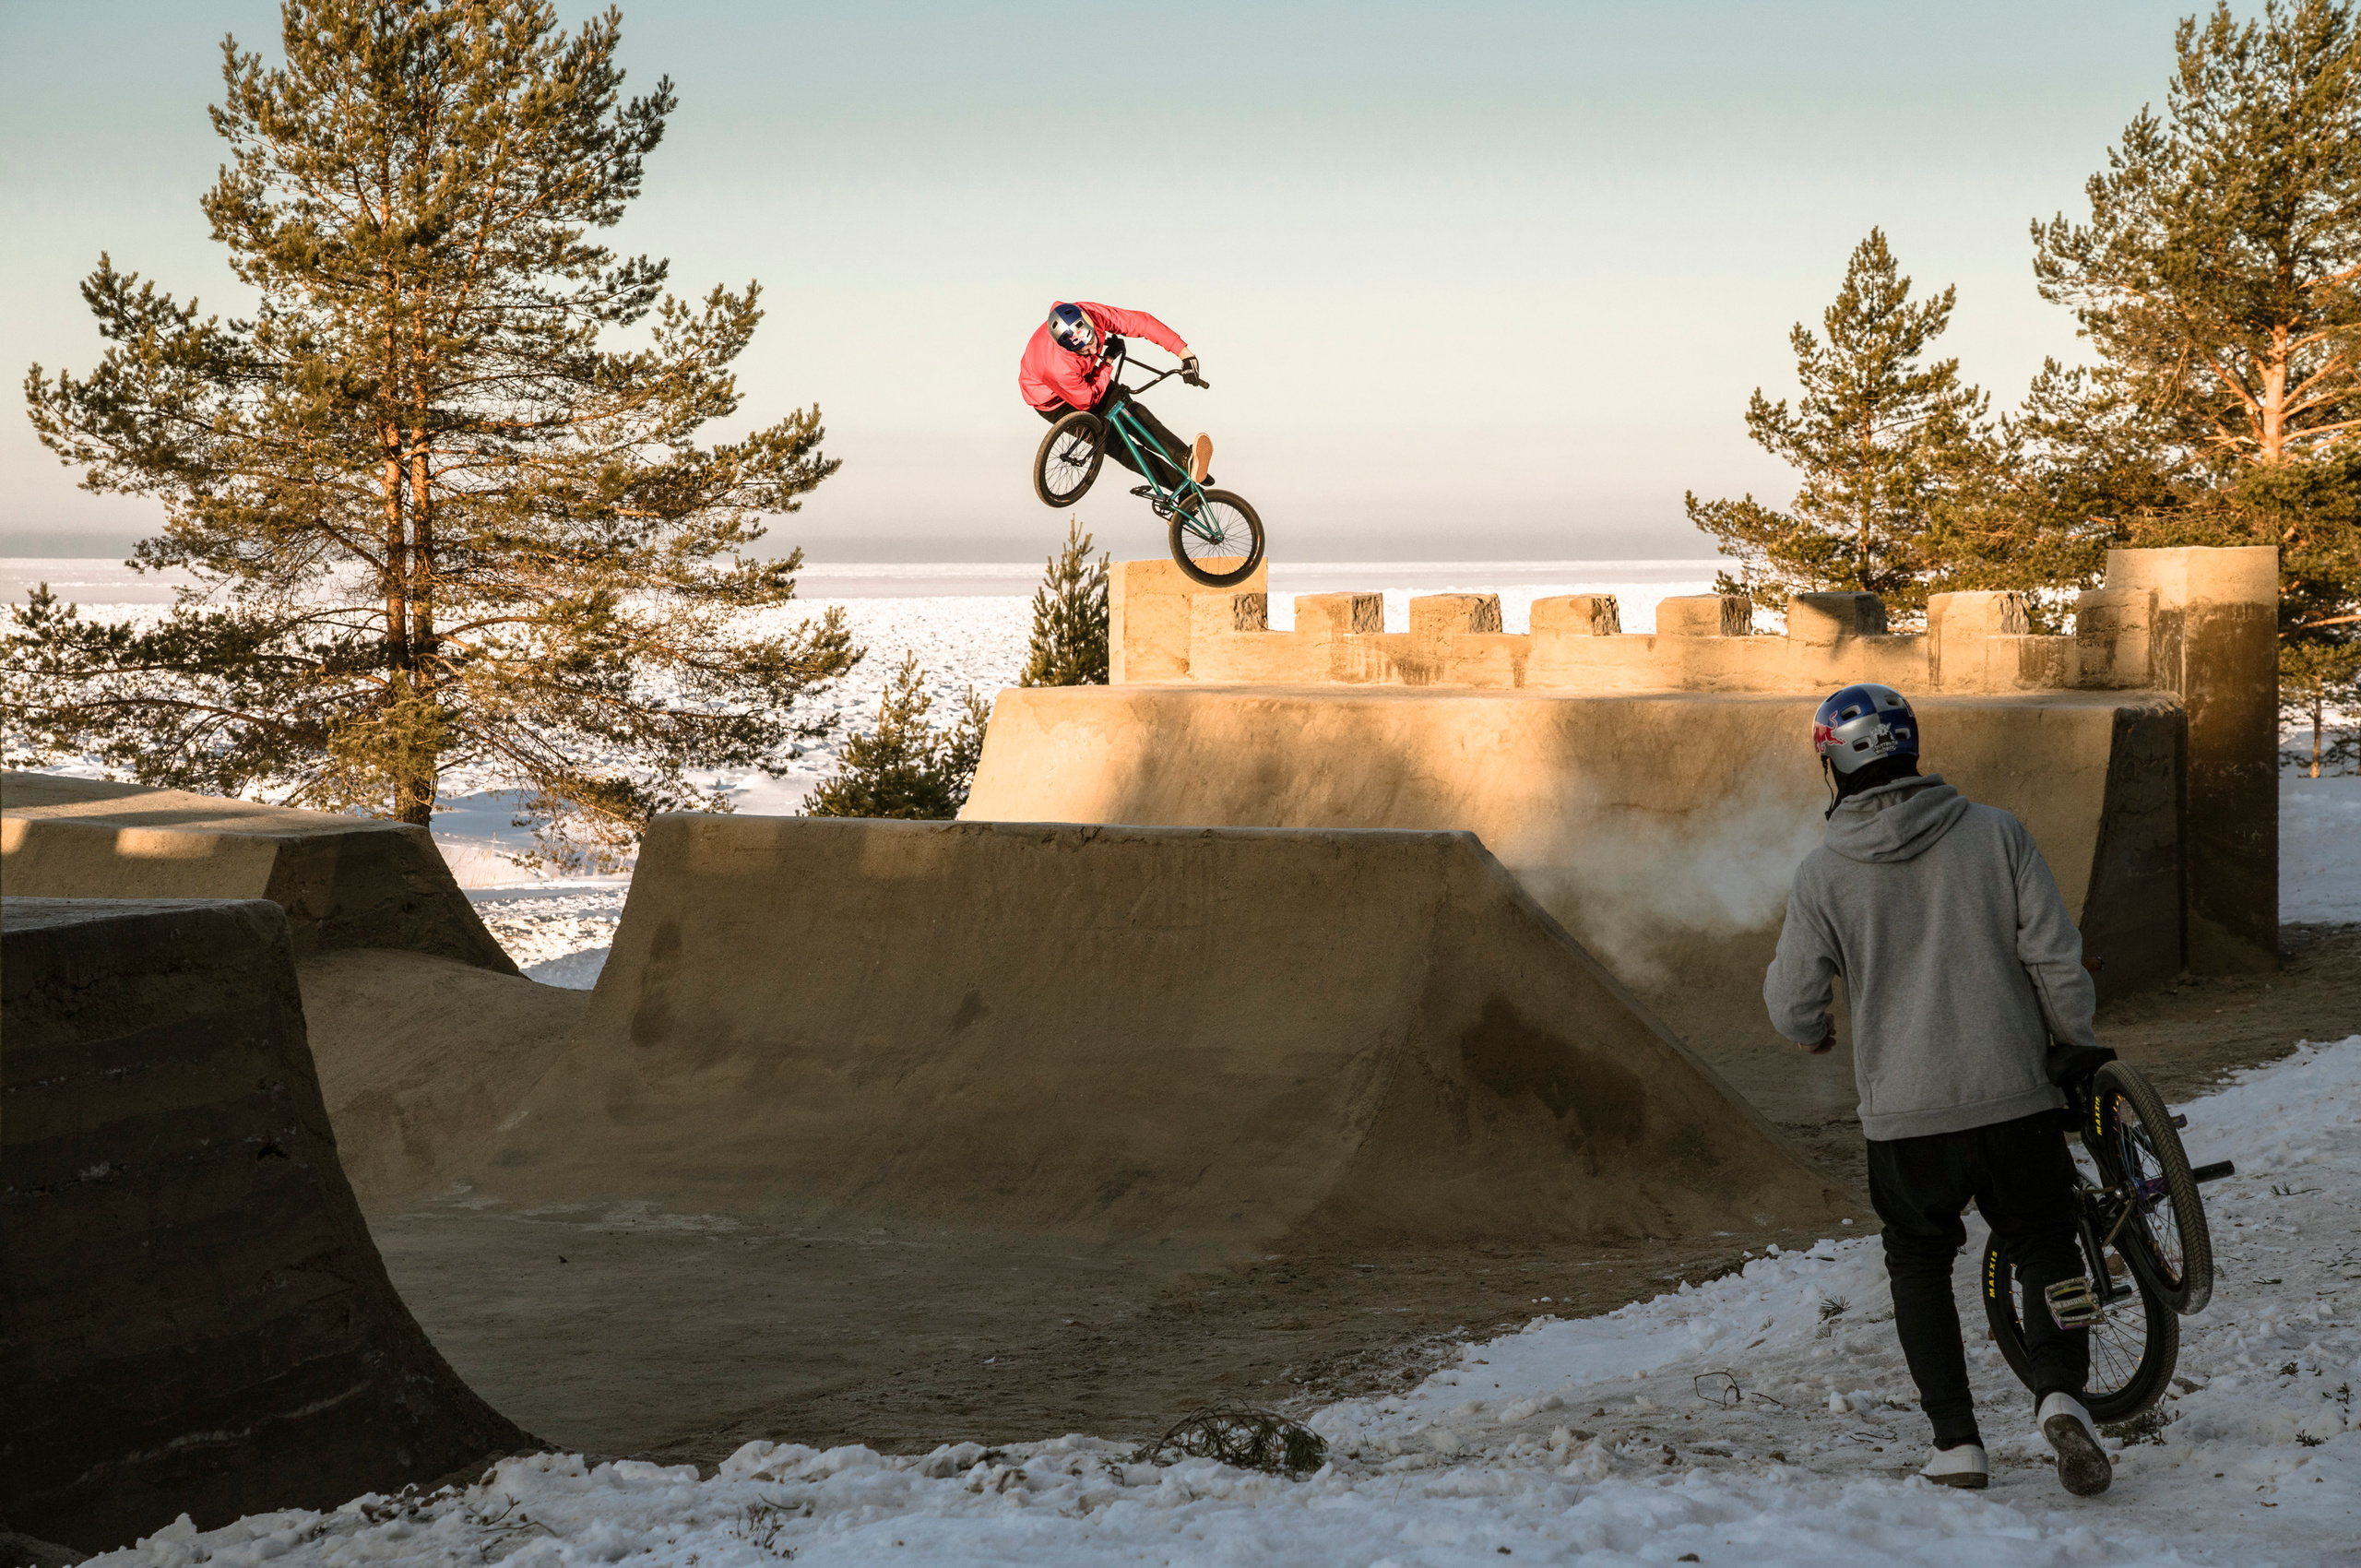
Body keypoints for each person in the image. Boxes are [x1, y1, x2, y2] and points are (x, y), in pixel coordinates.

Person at [1763, 683, 2113, 1499]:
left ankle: (1957, 1444)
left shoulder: (1823, 874)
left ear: (1833, 763)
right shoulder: (1997, 834)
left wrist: (1814, 1027)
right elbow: (2057, 960)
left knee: (1918, 1264)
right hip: (2015, 1096)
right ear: (1910, 746)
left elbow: (1790, 1006)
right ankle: (2060, 1389)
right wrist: (2074, 1044)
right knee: (2046, 1245)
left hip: (1907, 1117)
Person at [1018, 302, 1213, 488]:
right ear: (1070, 348)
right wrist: (1108, 361)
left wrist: (1185, 354)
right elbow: (1087, 401)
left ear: (1089, 322)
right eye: (1085, 351)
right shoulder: (1057, 367)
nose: (1094, 350)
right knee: (1116, 444)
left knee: (1129, 411)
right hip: (1055, 403)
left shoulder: (1094, 314)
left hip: (1082, 380)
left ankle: (1186, 459)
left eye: (1093, 341)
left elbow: (1140, 322)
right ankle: (1183, 491)